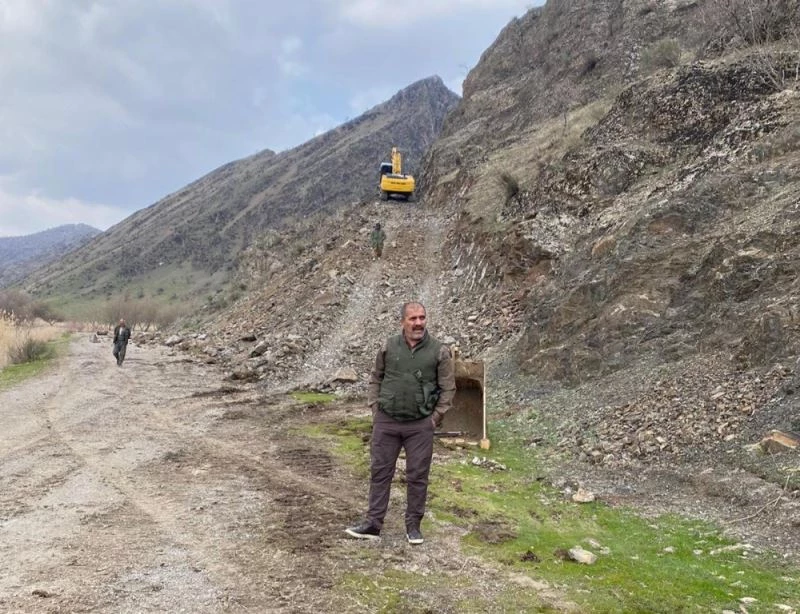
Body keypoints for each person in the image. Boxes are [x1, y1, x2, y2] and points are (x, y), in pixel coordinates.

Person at [345, 301, 456, 545]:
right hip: (387, 421)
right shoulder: (388, 346)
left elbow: (448, 388)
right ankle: (373, 524)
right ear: (402, 322)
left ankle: (413, 527)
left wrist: (435, 418)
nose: (418, 323)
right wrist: (375, 409)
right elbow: (376, 377)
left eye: (422, 318)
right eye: (413, 318)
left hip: (420, 426)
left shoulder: (439, 351)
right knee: (380, 472)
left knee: (418, 476)